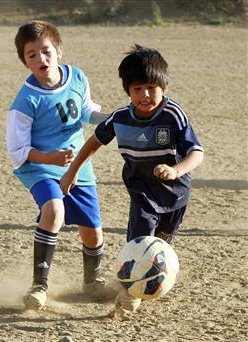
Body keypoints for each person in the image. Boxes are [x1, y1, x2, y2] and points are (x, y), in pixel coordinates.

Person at [60, 44, 204, 317]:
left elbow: (197, 152)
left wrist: (176, 171)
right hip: (142, 193)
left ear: (165, 85)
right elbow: (93, 142)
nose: (145, 95)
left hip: (176, 196)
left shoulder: (173, 115)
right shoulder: (121, 118)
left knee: (159, 250)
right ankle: (127, 294)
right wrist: (72, 171)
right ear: (127, 90)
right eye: (137, 89)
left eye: (151, 87)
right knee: (139, 244)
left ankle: (145, 284)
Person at [6, 20, 111, 310]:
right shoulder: (25, 101)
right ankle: (39, 286)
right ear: (24, 61)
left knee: (92, 230)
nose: (41, 59)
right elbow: (17, 151)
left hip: (76, 164)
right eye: (32, 55)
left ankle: (92, 282)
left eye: (46, 51)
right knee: (54, 211)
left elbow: (87, 111)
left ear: (59, 51)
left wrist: (113, 118)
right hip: (39, 166)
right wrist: (49, 157)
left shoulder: (76, 77)